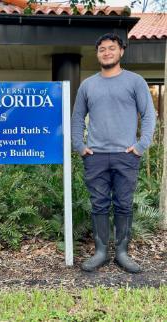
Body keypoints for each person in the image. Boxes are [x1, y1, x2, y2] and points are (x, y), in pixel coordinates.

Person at [71, 33, 156, 273]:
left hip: (126, 155)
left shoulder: (135, 81)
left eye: (111, 48)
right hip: (95, 156)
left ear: (121, 52)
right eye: (102, 49)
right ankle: (100, 252)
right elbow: (77, 118)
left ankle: (121, 252)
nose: (106, 52)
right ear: (97, 54)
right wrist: (80, 145)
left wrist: (140, 146)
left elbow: (149, 115)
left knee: (124, 205)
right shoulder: (88, 85)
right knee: (98, 204)